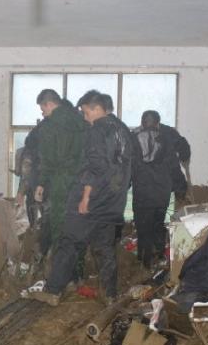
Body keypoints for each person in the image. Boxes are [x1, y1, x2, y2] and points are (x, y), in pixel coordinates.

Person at [31, 91, 133, 306]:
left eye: (86, 112)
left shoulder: (97, 130)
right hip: (113, 201)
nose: (85, 118)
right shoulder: (123, 130)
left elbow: (95, 167)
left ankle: (53, 291)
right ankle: (110, 295)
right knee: (105, 248)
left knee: (68, 241)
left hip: (91, 199)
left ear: (97, 109)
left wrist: (85, 198)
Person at [34, 90, 87, 257]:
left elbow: (48, 159)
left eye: (43, 109)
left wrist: (41, 183)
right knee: (78, 224)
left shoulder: (49, 126)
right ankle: (78, 266)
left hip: (61, 181)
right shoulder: (82, 120)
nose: (43, 113)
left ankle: (61, 266)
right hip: (83, 181)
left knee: (59, 226)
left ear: (49, 104)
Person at [130, 110, 182, 270]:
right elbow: (174, 167)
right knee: (158, 224)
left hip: (142, 191)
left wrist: (124, 185)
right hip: (161, 192)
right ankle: (159, 255)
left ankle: (143, 258)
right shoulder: (166, 139)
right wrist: (181, 187)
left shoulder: (133, 139)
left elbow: (127, 166)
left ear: (142, 123)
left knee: (142, 225)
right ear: (158, 123)